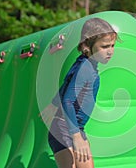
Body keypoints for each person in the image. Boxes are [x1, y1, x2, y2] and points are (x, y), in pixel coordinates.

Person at [40, 18, 117, 168]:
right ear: (85, 46)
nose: (110, 51)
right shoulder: (85, 69)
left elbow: (66, 84)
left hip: (75, 128)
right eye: (105, 46)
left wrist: (53, 104)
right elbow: (68, 100)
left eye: (113, 45)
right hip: (65, 129)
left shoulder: (83, 63)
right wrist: (76, 136)